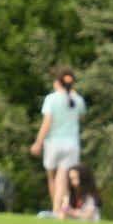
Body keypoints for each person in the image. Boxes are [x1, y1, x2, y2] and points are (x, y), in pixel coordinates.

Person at [30, 67, 86, 213]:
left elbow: (47, 122)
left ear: (57, 82)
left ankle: (57, 209)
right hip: (72, 145)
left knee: (52, 178)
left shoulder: (51, 99)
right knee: (63, 180)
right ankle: (61, 209)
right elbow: (82, 116)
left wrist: (38, 142)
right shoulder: (77, 99)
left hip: (53, 144)